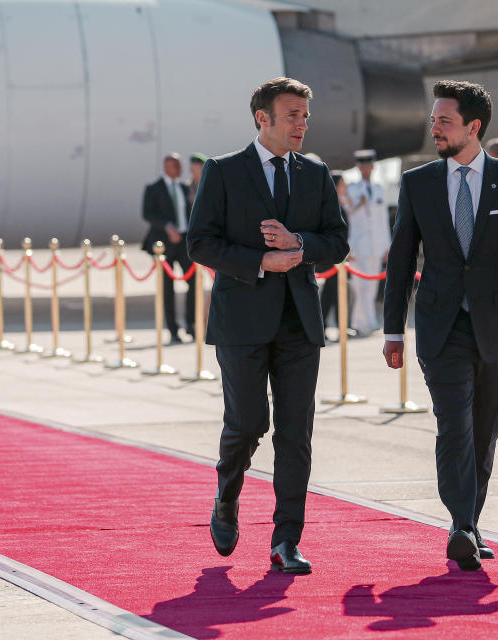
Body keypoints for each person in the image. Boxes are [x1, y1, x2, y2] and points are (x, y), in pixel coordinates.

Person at [382, 80, 498, 571]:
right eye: (433, 119)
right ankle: (460, 524)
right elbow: (401, 260)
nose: (433, 127)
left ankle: (470, 522)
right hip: (440, 327)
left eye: (444, 120)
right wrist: (392, 329)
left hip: (496, 325)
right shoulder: (418, 182)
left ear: (473, 127)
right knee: (454, 426)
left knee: (485, 430)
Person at [187, 77, 349, 575]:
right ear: (263, 118)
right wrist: (262, 261)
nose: (302, 124)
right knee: (248, 422)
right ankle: (227, 495)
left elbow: (337, 242)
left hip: (300, 323)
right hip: (241, 322)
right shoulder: (223, 171)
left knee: (296, 432)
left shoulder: (316, 172)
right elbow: (200, 244)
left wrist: (299, 245)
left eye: (305, 115)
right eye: (292, 115)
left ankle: (285, 541)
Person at [141, 152, 196, 343]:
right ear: (166, 166)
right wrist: (167, 226)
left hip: (184, 242)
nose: (179, 170)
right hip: (163, 244)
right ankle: (173, 329)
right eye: (175, 166)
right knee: (167, 288)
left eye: (180, 166)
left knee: (193, 281)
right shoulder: (153, 188)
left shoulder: (183, 188)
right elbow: (148, 214)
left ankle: (191, 324)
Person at [346, 149, 391, 337]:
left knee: (371, 287)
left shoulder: (380, 190)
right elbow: (348, 214)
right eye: (362, 165)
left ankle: (363, 322)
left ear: (373, 167)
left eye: (368, 165)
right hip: (358, 245)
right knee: (360, 286)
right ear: (358, 167)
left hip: (376, 245)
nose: (366, 169)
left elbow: (383, 221)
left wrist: (387, 246)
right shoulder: (351, 190)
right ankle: (365, 323)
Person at [317, 171, 355, 340]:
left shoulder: (340, 206)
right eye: (342, 184)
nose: (345, 187)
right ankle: (323, 326)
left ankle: (341, 327)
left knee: (339, 293)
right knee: (329, 294)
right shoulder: (329, 207)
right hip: (331, 260)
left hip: (339, 258)